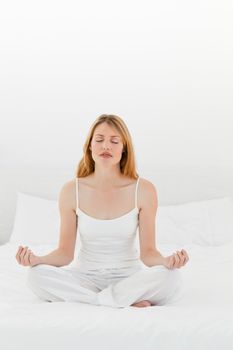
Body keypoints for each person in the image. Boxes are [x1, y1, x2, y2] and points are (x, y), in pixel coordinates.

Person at [15, 114, 189, 308]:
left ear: (124, 149)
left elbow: (148, 253)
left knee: (171, 278)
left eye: (114, 141)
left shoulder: (144, 190)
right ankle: (117, 301)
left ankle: (96, 300)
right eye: (99, 140)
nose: (106, 146)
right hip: (84, 278)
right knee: (35, 276)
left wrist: (167, 261)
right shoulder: (71, 191)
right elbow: (65, 254)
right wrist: (37, 260)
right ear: (90, 146)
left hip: (129, 279)